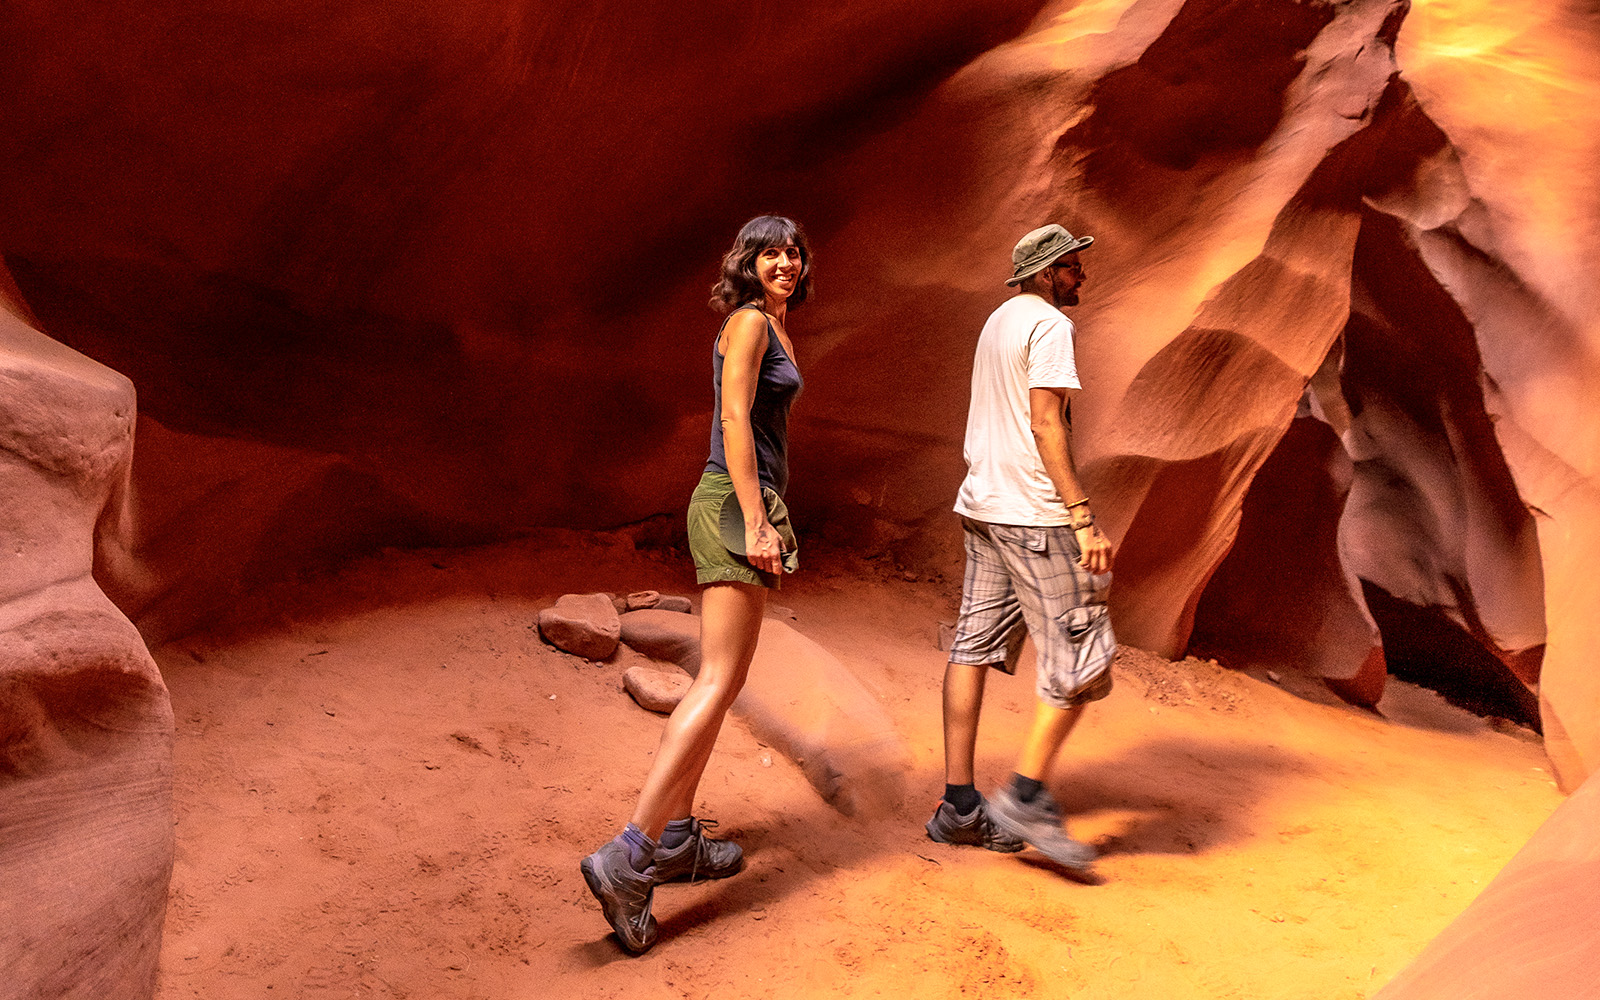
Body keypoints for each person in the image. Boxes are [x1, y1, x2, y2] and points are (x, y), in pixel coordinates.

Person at [580, 215, 809, 953]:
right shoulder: (748, 324)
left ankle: (677, 839)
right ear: (747, 263)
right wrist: (756, 519)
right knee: (716, 682)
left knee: (723, 680)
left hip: (737, 500)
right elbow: (734, 419)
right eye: (770, 251)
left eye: (794, 251)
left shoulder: (771, 325)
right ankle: (630, 854)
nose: (786, 261)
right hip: (730, 502)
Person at [925, 223, 1116, 870]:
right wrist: (1082, 516)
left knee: (971, 648)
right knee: (1082, 652)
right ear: (1041, 273)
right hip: (1034, 517)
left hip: (983, 508)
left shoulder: (998, 321)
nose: (1079, 274)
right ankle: (1027, 797)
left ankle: (957, 805)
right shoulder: (1051, 328)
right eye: (1069, 266)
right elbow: (1044, 422)